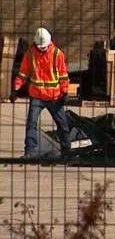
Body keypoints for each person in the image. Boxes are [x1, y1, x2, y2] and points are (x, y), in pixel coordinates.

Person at [11, 27, 71, 158]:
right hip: (37, 96)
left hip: (54, 97)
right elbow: (23, 73)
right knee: (31, 124)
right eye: (40, 47)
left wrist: (65, 91)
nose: (42, 49)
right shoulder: (30, 54)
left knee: (63, 124)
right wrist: (15, 89)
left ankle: (66, 151)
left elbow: (63, 75)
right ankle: (30, 151)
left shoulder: (57, 54)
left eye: (44, 47)